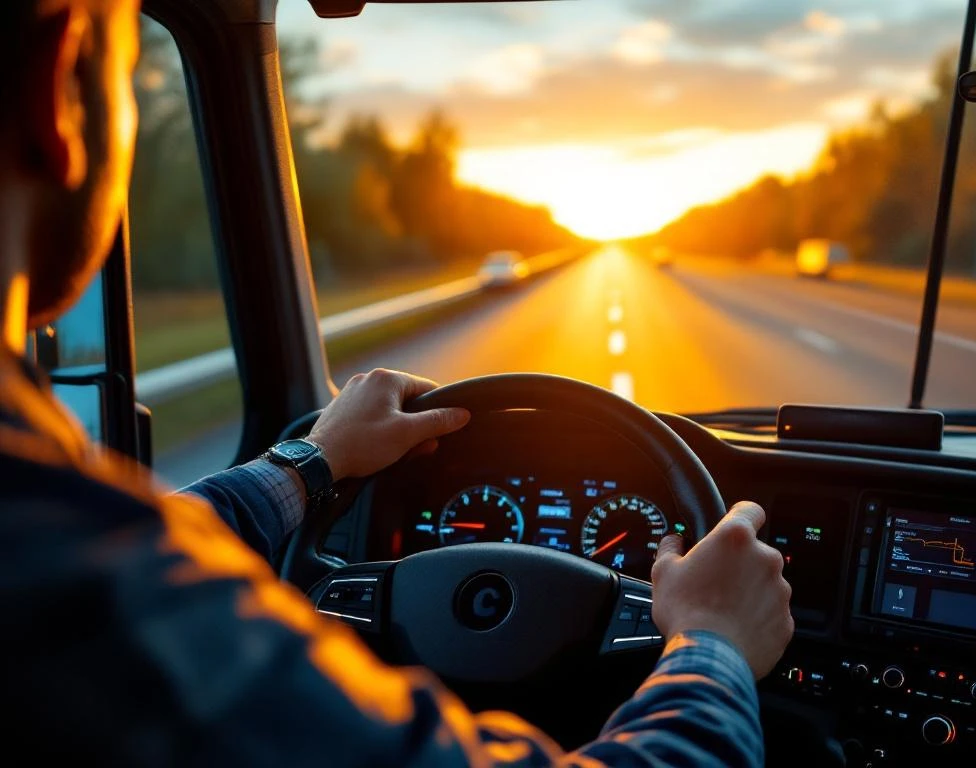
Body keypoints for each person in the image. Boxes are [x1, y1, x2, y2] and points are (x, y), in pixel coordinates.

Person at [0, 0, 794, 765]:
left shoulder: (57, 548)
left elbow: (163, 539)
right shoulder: (107, 601)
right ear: (58, 88)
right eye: (129, 78)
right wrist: (713, 641)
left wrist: (313, 462)